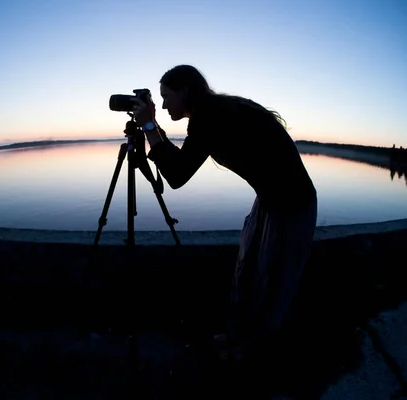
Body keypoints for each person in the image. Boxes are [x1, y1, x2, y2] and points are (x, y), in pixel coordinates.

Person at [131, 64, 318, 361]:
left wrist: (150, 128)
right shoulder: (214, 112)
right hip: (270, 199)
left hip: (292, 203)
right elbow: (180, 161)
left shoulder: (210, 117)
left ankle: (250, 352)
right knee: (248, 270)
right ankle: (237, 336)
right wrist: (153, 129)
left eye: (167, 97)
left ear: (185, 91)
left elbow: (177, 175)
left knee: (271, 281)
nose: (164, 105)